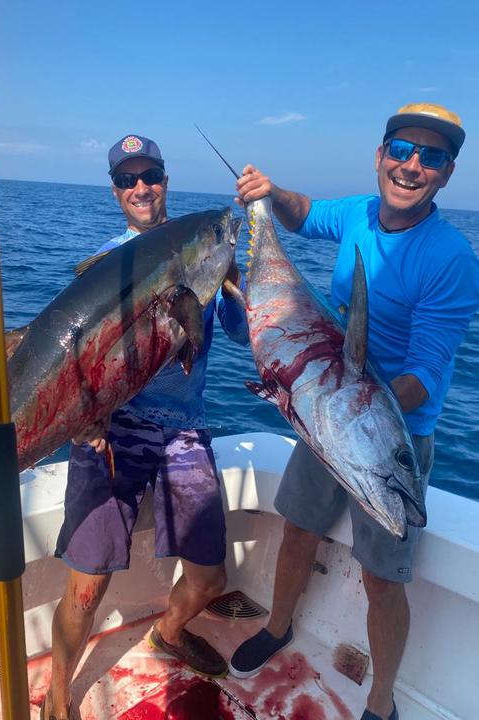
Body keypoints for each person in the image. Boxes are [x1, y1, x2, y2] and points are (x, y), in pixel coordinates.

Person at [228, 104, 479, 720]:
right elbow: (305, 213)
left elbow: (425, 373)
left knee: (383, 579)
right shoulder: (361, 215)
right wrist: (269, 193)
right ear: (380, 155)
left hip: (385, 433)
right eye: (402, 148)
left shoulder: (450, 258)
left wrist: (354, 405)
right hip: (325, 412)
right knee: (297, 531)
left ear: (446, 175)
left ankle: (383, 700)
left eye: (432, 157)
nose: (412, 164)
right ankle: (280, 625)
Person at [41, 134, 248, 720]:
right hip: (113, 430)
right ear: (115, 191)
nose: (141, 188)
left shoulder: (203, 246)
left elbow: (241, 332)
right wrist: (83, 419)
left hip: (185, 428)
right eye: (128, 179)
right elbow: (75, 358)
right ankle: (58, 699)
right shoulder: (108, 261)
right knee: (86, 586)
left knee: (210, 577)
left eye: (150, 175)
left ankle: (169, 632)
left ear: (165, 180)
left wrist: (236, 275)